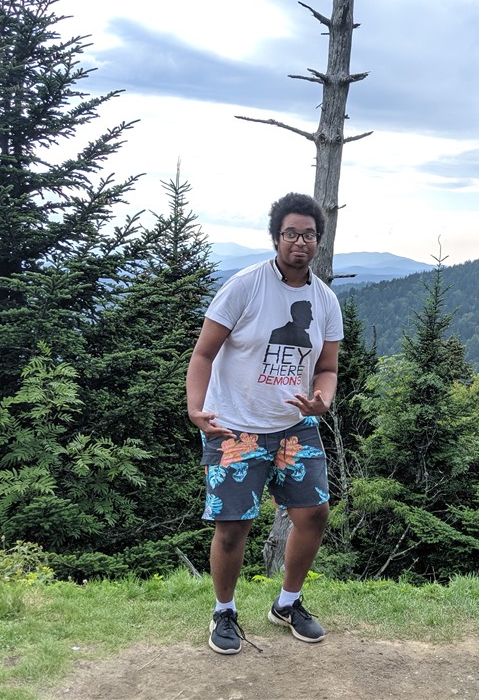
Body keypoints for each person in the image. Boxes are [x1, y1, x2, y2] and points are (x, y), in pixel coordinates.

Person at [186, 192, 343, 655]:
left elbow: (327, 368)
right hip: (235, 426)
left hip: (295, 426)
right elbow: (204, 353)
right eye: (291, 233)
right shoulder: (245, 287)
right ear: (276, 237)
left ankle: (287, 603)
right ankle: (224, 611)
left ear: (318, 241)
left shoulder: (325, 300)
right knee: (232, 525)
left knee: (314, 514)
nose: (300, 242)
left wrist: (323, 400)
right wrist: (196, 408)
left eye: (309, 235)